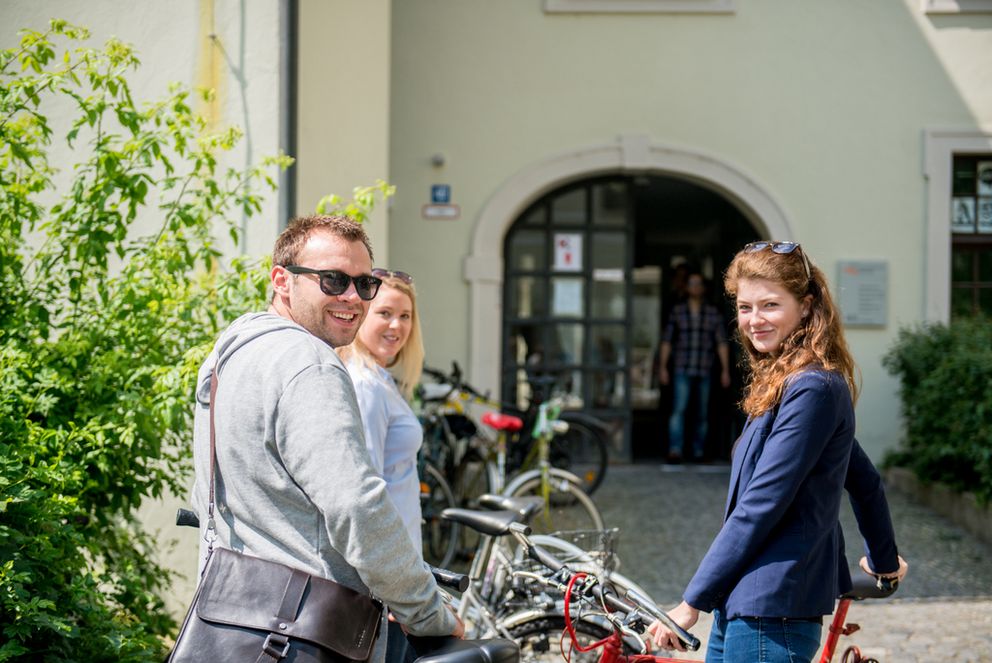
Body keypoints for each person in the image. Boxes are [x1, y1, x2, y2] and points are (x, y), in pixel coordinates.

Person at [190, 216, 462, 663]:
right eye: (333, 280)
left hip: (231, 620)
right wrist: (429, 612)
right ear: (282, 280)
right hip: (301, 633)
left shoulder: (232, 351)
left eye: (364, 284)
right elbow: (358, 507)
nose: (352, 297)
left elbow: (209, 491)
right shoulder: (309, 364)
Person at [648, 241, 908, 663]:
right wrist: (883, 561)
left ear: (806, 307)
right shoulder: (786, 381)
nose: (754, 320)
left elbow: (762, 502)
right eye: (745, 307)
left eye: (769, 305)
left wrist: (690, 602)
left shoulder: (813, 388)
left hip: (775, 611)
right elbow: (861, 476)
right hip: (742, 603)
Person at [338, 268, 425, 663]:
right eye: (385, 313)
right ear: (361, 317)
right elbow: (365, 489)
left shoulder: (379, 378)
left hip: (395, 572)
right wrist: (395, 584)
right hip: (385, 582)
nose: (397, 326)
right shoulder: (365, 385)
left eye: (405, 316)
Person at [658, 271, 731, 462]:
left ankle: (698, 451)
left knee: (702, 413)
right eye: (692, 283)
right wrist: (663, 367)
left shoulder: (713, 312)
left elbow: (721, 342)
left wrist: (725, 370)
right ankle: (675, 450)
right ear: (687, 287)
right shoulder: (678, 310)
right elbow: (667, 341)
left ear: (704, 288)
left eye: (699, 284)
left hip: (704, 368)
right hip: (682, 368)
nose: (696, 287)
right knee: (679, 410)